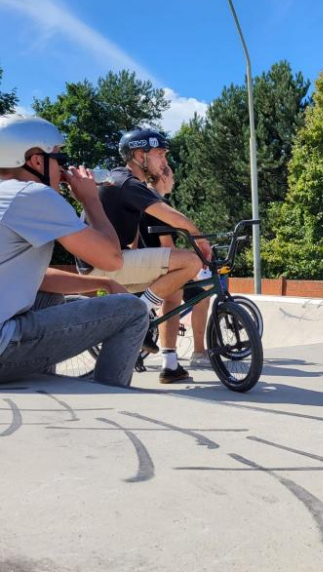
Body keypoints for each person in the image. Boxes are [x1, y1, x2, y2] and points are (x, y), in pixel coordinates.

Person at [0, 115, 148, 386]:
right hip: (2, 350)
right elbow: (111, 258)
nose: (63, 170)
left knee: (49, 297)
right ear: (36, 161)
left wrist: (103, 283)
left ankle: (41, 381)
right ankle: (110, 395)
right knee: (132, 309)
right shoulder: (31, 194)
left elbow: (38, 278)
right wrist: (91, 200)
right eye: (59, 159)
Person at [78, 129, 211, 383]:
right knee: (191, 261)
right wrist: (200, 239)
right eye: (160, 154)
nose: (165, 162)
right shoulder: (128, 182)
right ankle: (140, 312)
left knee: (174, 289)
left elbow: (131, 237)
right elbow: (170, 216)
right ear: (140, 156)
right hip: (103, 265)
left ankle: (170, 365)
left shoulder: (124, 181)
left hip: (108, 260)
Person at [139, 166, 211, 370]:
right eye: (172, 176)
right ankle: (198, 352)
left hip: (140, 264)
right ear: (163, 177)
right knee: (201, 296)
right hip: (161, 266)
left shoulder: (138, 200)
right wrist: (192, 266)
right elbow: (167, 247)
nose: (174, 181)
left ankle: (169, 357)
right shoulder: (159, 204)